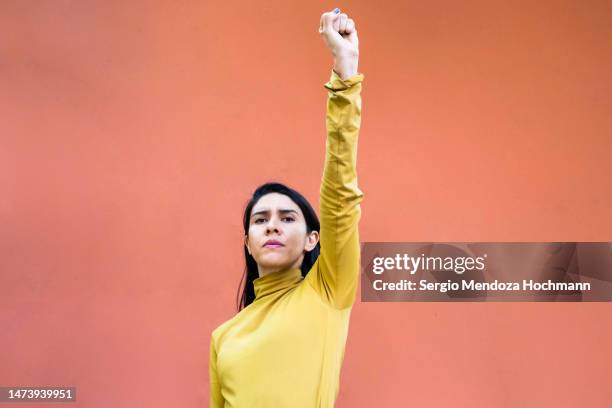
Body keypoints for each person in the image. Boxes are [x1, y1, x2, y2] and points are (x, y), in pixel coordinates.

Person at [209, 8, 365, 407]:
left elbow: (339, 198)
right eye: (261, 220)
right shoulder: (224, 337)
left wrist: (345, 77)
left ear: (314, 238)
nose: (272, 227)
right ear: (247, 241)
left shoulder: (328, 291)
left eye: (287, 217)